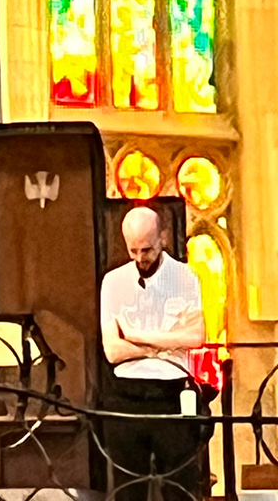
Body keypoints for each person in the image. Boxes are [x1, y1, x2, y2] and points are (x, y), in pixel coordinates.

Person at [100, 206, 207, 501]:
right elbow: (113, 351)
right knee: (127, 490)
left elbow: (196, 337)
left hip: (171, 393)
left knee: (179, 487)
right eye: (133, 250)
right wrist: (166, 343)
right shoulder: (113, 282)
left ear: (162, 238)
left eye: (146, 249)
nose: (139, 258)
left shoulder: (185, 278)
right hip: (125, 394)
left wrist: (135, 335)